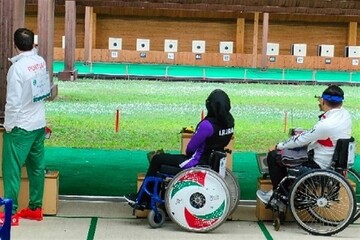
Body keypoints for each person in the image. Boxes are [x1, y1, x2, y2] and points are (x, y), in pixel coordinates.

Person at [125, 89, 235, 206]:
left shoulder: (207, 125)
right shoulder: (230, 122)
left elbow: (190, 149)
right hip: (213, 163)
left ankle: (142, 199)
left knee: (157, 159)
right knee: (163, 159)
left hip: (196, 163)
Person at [256, 85, 352, 205]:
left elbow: (300, 140)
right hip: (332, 162)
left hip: (318, 165)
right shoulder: (345, 115)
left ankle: (279, 197)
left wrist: (278, 146)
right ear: (341, 102)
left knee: (274, 156)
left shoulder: (326, 124)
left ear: (323, 101)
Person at [0, 28, 51, 226]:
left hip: (20, 126)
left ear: (15, 45)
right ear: (33, 44)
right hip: (38, 123)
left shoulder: (17, 69)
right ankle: (35, 208)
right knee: (36, 168)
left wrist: (9, 126)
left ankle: (10, 213)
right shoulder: (40, 61)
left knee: (12, 170)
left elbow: (13, 103)